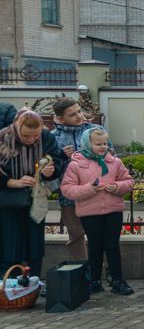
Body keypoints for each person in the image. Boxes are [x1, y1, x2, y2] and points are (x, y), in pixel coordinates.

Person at [60, 125, 135, 294]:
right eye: (98, 144)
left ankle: (117, 280)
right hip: (90, 213)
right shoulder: (76, 165)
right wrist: (89, 189)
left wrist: (116, 187)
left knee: (112, 245)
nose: (103, 147)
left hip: (113, 211)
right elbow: (67, 189)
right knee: (94, 247)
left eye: (105, 144)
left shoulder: (115, 162)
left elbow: (129, 182)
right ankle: (94, 281)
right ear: (87, 144)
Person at [0, 108, 65, 276]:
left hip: (35, 198)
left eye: (35, 136)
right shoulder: (2, 138)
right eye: (26, 136)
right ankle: (10, 284)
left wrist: (50, 171)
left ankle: (34, 281)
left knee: (35, 243)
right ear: (16, 126)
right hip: (8, 201)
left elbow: (56, 160)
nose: (31, 140)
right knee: (10, 242)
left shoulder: (46, 137)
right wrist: (11, 182)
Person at [50, 97, 90, 262]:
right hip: (69, 196)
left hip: (95, 192)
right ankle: (81, 273)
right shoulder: (52, 137)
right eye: (72, 114)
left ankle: (102, 273)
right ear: (60, 118)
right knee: (75, 235)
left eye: (79, 111)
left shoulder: (93, 131)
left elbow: (110, 156)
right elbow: (47, 166)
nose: (79, 116)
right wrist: (61, 156)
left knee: (100, 235)